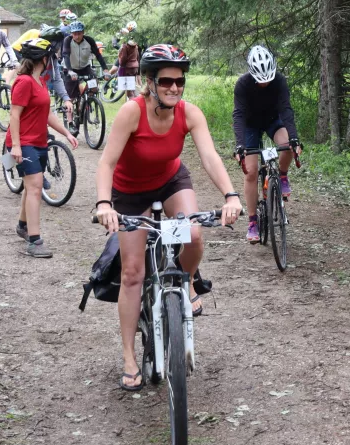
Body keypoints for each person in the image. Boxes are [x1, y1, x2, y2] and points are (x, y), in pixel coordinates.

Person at [94, 44, 243, 391]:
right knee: (133, 273)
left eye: (180, 82)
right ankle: (130, 357)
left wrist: (231, 195)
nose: (174, 88)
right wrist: (104, 203)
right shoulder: (132, 113)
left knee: (192, 233)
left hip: (170, 181)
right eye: (166, 82)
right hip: (130, 193)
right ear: (150, 81)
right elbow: (107, 163)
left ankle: (187, 280)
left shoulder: (190, 114)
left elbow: (208, 156)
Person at [6, 37, 79, 257]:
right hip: (24, 142)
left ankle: (22, 226)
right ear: (43, 59)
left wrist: (66, 132)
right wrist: (16, 146)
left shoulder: (40, 82)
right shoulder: (24, 82)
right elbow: (14, 115)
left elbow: (47, 115)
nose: (52, 61)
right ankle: (35, 242)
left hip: (38, 141)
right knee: (36, 186)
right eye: (50, 57)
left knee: (30, 186)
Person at [232, 45, 301, 243]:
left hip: (273, 120)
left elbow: (286, 109)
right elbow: (238, 115)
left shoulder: (279, 80)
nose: (265, 83)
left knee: (287, 143)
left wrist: (295, 138)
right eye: (261, 80)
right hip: (251, 125)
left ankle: (282, 175)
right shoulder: (243, 84)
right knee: (251, 172)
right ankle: (253, 222)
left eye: (268, 79)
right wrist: (240, 145)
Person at [59, 21, 110, 105]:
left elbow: (98, 55)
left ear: (83, 32)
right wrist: (70, 71)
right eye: (74, 34)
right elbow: (66, 55)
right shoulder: (67, 40)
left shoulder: (89, 40)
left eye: (79, 33)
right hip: (70, 68)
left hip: (84, 67)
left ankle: (86, 101)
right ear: (71, 33)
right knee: (70, 98)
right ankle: (69, 117)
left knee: (94, 84)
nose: (77, 36)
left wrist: (105, 70)